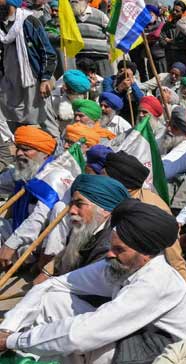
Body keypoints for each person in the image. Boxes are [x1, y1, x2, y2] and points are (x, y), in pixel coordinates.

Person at [0, 199, 186, 364]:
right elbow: (56, 284)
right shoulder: (124, 262)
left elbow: (80, 336)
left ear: (146, 255)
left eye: (119, 250)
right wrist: (8, 328)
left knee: (73, 341)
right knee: (55, 301)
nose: (110, 253)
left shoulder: (156, 282)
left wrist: (14, 340)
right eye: (112, 246)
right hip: (130, 349)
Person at [104, 151, 186, 280]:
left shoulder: (150, 209)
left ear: (121, 183)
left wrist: (183, 283)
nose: (100, 183)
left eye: (104, 179)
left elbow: (173, 253)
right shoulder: (112, 198)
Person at [0, 127, 70, 276]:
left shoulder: (55, 176)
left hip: (42, 244)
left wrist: (10, 244)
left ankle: (38, 267)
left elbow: (38, 218)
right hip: (18, 230)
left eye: (26, 149)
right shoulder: (23, 169)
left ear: (44, 154)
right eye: (18, 148)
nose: (19, 153)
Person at [0, 0, 58, 137]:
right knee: (11, 121)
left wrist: (45, 79)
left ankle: (55, 151)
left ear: (10, 3)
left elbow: (48, 52)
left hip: (32, 80)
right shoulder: (1, 27)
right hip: (9, 82)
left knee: (43, 121)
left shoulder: (29, 22)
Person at [54, 174, 129, 275]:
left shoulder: (109, 246)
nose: (71, 210)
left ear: (105, 210)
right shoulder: (82, 227)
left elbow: (84, 284)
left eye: (79, 204)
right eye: (72, 204)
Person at [70, 0, 111, 76]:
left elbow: (112, 34)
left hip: (100, 59)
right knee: (82, 86)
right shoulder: (69, 18)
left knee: (104, 83)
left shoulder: (100, 15)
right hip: (79, 59)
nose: (74, 1)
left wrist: (109, 50)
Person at [160, 0, 186, 73]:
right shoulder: (167, 25)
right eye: (173, 10)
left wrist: (171, 42)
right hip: (170, 59)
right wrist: (172, 42)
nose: (174, 12)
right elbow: (161, 40)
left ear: (183, 12)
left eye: (177, 11)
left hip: (184, 59)